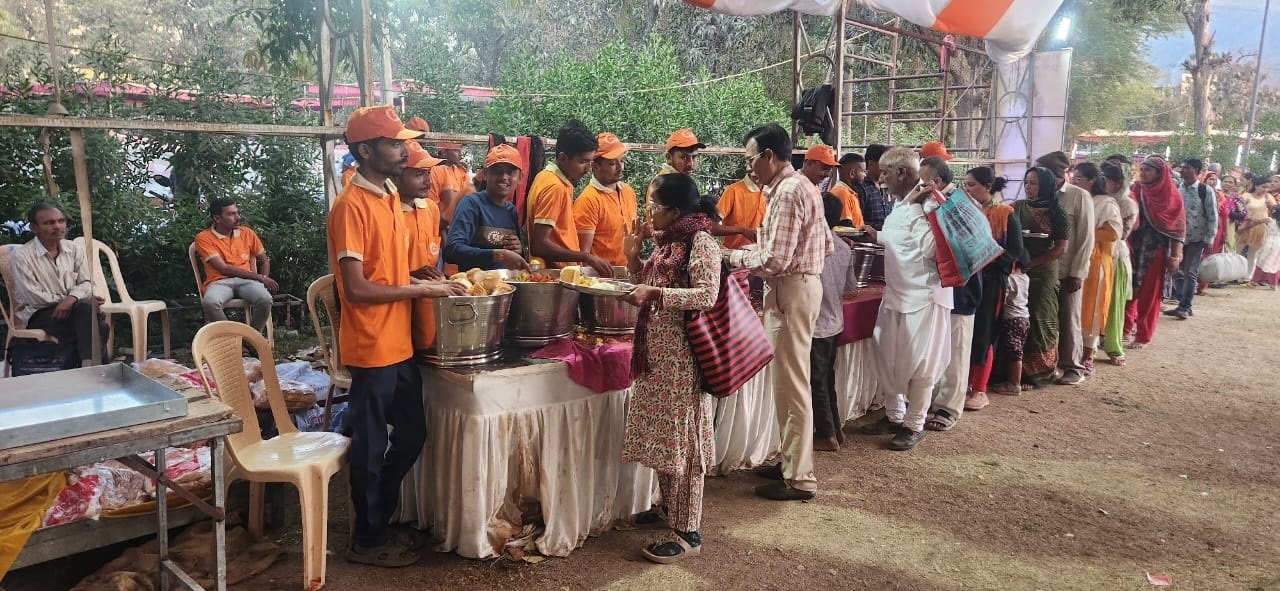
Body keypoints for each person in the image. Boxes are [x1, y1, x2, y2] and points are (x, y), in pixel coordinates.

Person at [328, 105, 467, 567]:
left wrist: (424, 275)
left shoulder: (389, 195)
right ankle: (367, 540)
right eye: (395, 143)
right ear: (366, 151)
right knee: (371, 447)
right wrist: (422, 287)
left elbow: (390, 268)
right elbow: (356, 287)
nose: (405, 150)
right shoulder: (351, 206)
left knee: (411, 432)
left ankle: (378, 516)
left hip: (401, 341)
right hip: (371, 346)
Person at [619, 173, 720, 565]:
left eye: (655, 206)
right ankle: (670, 511)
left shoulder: (701, 242)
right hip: (656, 359)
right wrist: (632, 258)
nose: (650, 214)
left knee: (685, 443)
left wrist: (658, 293)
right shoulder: (667, 244)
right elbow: (642, 285)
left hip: (683, 360)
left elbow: (706, 295)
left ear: (675, 210)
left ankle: (688, 530)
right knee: (665, 441)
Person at [729, 123, 832, 500]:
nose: (750, 168)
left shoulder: (789, 191)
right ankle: (791, 461)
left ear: (769, 156)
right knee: (788, 382)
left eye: (751, 160)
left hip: (791, 288)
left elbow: (774, 259)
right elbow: (827, 247)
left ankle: (800, 477)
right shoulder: (802, 186)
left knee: (792, 385)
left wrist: (730, 256)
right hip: (797, 287)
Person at [855, 146, 952, 450]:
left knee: (921, 365)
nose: (880, 177)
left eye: (885, 172)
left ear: (902, 172)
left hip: (923, 298)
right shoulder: (901, 204)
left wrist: (930, 211)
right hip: (896, 294)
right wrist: (878, 236)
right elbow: (901, 241)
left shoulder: (925, 208)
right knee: (887, 357)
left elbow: (933, 251)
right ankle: (895, 415)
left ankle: (914, 424)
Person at [9, 202, 107, 366]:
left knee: (86, 311)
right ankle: (94, 369)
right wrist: (70, 299)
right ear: (34, 228)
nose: (57, 226)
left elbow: (87, 282)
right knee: (99, 326)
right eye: (49, 223)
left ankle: (86, 365)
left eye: (61, 221)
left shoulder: (74, 249)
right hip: (40, 314)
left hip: (75, 311)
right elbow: (34, 297)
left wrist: (71, 300)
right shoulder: (22, 256)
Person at [963, 167, 1025, 411]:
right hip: (967, 280)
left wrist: (987, 258)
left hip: (990, 281)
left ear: (987, 187)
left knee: (984, 333)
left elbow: (1015, 251)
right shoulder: (966, 212)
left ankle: (980, 388)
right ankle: (964, 385)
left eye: (972, 185)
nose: (966, 190)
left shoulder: (1004, 213)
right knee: (964, 332)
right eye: (965, 185)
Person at [919, 155, 973, 431]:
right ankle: (929, 402)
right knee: (938, 348)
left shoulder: (956, 205)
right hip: (936, 288)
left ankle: (949, 407)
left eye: (921, 180)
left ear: (936, 182)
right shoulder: (932, 202)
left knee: (956, 348)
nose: (917, 185)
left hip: (961, 290)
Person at [1035, 151, 1095, 385]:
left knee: (1069, 318)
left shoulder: (1078, 196)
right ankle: (1045, 364)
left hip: (1067, 268)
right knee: (1044, 318)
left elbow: (1086, 238)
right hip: (1042, 268)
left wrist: (1078, 272)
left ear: (1056, 174)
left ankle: (1073, 366)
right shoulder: (1039, 194)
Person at [526, 120, 613, 276]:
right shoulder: (555, 186)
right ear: (563, 158)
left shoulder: (546, 177)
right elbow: (539, 245)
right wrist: (587, 257)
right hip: (555, 277)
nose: (588, 169)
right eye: (582, 162)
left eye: (590, 162)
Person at [810, 193, 859, 451]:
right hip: (834, 320)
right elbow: (850, 287)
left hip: (817, 323)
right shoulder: (843, 246)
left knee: (817, 380)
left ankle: (827, 434)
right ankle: (835, 429)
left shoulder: (812, 247)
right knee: (826, 378)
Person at [1014, 167, 1070, 387]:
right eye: (1026, 182)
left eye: (1034, 183)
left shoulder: (1058, 213)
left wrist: (1032, 263)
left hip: (1043, 270)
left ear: (1046, 185)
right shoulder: (1017, 208)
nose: (1028, 187)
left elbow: (1060, 248)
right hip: (1019, 269)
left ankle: (1040, 372)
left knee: (1040, 317)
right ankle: (1013, 370)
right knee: (1018, 317)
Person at [1124, 156, 1186, 350]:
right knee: (1128, 288)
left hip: (1156, 249)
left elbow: (1178, 228)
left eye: (1148, 170)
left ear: (1160, 173)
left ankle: (1143, 335)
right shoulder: (1136, 190)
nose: (1143, 173)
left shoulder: (1171, 195)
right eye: (1141, 170)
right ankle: (1124, 329)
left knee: (1149, 293)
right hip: (1134, 245)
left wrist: (1175, 256)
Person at [194, 197, 277, 334]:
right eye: (231, 214)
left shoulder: (247, 233)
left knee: (265, 299)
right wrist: (261, 278)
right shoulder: (203, 237)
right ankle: (234, 340)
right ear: (217, 218)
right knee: (210, 303)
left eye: (237, 212)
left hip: (247, 281)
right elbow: (224, 268)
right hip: (219, 282)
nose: (238, 217)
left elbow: (264, 260)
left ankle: (252, 339)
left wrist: (262, 280)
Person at [445, 144, 532, 271]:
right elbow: (452, 250)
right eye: (498, 171)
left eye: (511, 172)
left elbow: (512, 255)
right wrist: (497, 255)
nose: (504, 177)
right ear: (485, 174)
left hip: (505, 286)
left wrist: (517, 249)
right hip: (476, 286)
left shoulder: (511, 210)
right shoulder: (471, 204)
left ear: (520, 178)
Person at [1071, 163, 1122, 375]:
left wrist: (1086, 233)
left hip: (1097, 261)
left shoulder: (1106, 203)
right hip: (1074, 257)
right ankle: (1071, 353)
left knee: (1091, 307)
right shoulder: (1074, 198)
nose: (1075, 182)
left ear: (1092, 180)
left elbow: (1112, 234)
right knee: (1074, 307)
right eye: (1074, 178)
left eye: (1080, 179)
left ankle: (1088, 354)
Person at [399, 141, 447, 353]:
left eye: (428, 173)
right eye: (419, 174)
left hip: (428, 307)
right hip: (398, 310)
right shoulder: (388, 214)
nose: (428, 181)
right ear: (398, 174)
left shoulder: (431, 209)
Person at [573, 132, 638, 266]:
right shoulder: (588, 200)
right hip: (601, 279)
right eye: (612, 163)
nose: (620, 167)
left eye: (622, 160)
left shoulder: (628, 191)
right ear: (595, 166)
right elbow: (582, 257)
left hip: (628, 273)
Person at [1164, 158, 1216, 319]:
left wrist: (1210, 238)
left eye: (1186, 168)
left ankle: (1185, 306)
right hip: (1178, 238)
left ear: (1195, 170)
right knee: (1177, 271)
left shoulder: (1205, 190)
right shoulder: (1177, 189)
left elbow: (1212, 215)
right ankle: (1183, 303)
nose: (1182, 170)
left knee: (1190, 272)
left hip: (1197, 238)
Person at [1102, 163, 1137, 366]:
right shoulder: (1098, 200)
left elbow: (1120, 234)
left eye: (1106, 180)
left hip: (1115, 256)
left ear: (1118, 183)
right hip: (1098, 255)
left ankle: (1114, 347)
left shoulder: (1126, 204)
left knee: (1115, 304)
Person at [644, 129, 705, 220]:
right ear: (669, 158)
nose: (691, 164)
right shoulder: (664, 184)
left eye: (694, 157)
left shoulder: (680, 180)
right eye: (684, 157)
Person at [990, 264, 1031, 396]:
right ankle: (1012, 381)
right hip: (1024, 317)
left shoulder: (1010, 279)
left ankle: (1014, 384)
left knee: (1014, 352)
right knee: (1017, 350)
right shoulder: (1026, 277)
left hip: (1012, 319)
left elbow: (1003, 297)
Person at [426, 140, 476, 225]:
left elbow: (470, 196)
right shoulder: (435, 170)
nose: (460, 154)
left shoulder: (461, 171)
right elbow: (432, 202)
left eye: (460, 150)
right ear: (444, 152)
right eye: (456, 150)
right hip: (441, 222)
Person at [713, 171, 765, 250]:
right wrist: (741, 230)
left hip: (761, 257)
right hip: (733, 256)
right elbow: (713, 227)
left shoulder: (771, 193)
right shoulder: (733, 190)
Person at [1237, 174, 1273, 279]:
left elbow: (1274, 211)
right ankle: (1236, 273)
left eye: (1268, 187)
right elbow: (1239, 210)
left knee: (1253, 254)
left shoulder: (1268, 197)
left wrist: (1270, 206)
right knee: (1238, 251)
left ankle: (1248, 277)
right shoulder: (1246, 196)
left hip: (1260, 229)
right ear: (1256, 185)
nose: (1265, 189)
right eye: (1263, 186)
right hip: (1245, 227)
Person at [853, 144, 894, 230]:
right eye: (884, 164)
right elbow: (857, 220)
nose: (888, 168)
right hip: (870, 239)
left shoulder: (887, 185)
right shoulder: (860, 187)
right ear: (871, 164)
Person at [831, 153, 866, 227]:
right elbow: (845, 227)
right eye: (863, 171)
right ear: (852, 173)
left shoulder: (848, 191)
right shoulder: (842, 193)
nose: (865, 175)